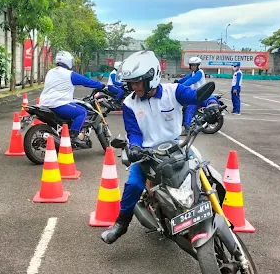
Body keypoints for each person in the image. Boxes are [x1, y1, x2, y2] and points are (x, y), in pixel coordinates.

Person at [100, 50, 215, 244]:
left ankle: (218, 212)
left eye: (138, 82)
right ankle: (121, 224)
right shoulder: (129, 104)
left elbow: (197, 96)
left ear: (151, 78)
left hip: (178, 147)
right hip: (148, 154)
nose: (133, 87)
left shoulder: (174, 91)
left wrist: (211, 104)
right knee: (133, 185)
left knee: (207, 174)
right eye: (131, 83)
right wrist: (135, 147)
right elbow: (133, 132)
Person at [39, 51, 106, 146]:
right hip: (58, 104)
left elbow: (58, 87)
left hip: (44, 102)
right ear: (68, 61)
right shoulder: (69, 74)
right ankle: (73, 137)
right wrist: (101, 85)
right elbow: (86, 81)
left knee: (74, 107)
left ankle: (64, 132)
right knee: (82, 112)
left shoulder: (51, 72)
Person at [176, 57, 206, 135]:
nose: (192, 67)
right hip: (193, 94)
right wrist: (177, 82)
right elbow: (186, 78)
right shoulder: (193, 73)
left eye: (194, 65)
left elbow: (192, 80)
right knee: (183, 105)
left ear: (198, 66)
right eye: (191, 65)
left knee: (189, 109)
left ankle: (187, 129)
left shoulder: (199, 72)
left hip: (200, 95)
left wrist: (181, 86)